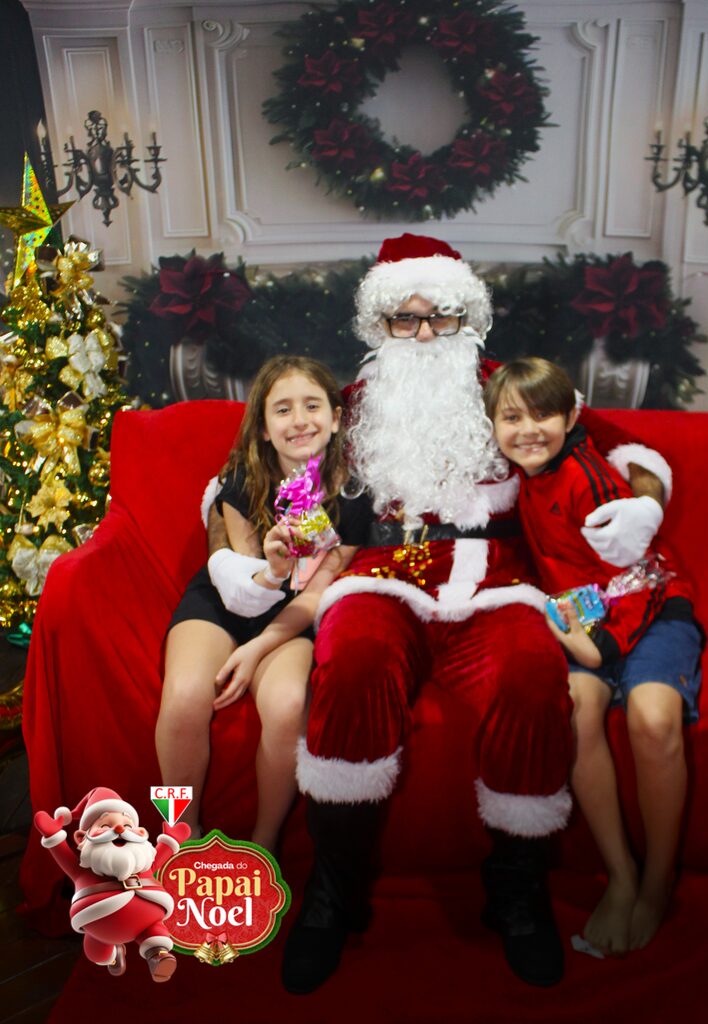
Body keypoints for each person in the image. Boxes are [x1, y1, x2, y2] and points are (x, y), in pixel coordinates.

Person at [207, 234, 673, 993]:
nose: (424, 335)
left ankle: (516, 891)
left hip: (495, 583)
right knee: (351, 664)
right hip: (379, 577)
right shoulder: (353, 406)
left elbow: (630, 452)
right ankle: (334, 892)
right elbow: (249, 471)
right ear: (380, 324)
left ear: (467, 318)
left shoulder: (506, 392)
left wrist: (643, 506)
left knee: (530, 675)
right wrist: (239, 549)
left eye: (441, 317)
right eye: (405, 318)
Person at [486, 356, 702, 956]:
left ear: (571, 416)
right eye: (511, 418)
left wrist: (601, 645)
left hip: (652, 611)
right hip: (588, 619)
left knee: (653, 719)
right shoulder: (521, 478)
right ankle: (621, 874)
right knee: (576, 711)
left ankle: (656, 882)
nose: (528, 430)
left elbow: (644, 574)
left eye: (543, 415)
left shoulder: (591, 478)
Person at [156, 355, 368, 849]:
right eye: (283, 409)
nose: (300, 420)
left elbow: (317, 591)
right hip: (226, 602)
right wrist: (271, 567)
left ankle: (264, 843)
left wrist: (256, 651)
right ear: (264, 429)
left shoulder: (354, 496)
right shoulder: (242, 479)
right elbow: (241, 587)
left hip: (292, 618)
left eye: (312, 405)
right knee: (184, 694)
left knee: (289, 702)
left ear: (336, 417)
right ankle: (178, 830)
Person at [33, 787, 190, 981]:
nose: (119, 829)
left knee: (156, 935)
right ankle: (114, 955)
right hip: (100, 927)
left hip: (148, 918)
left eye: (127, 824)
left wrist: (171, 840)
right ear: (81, 838)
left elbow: (158, 858)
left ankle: (158, 956)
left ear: (140, 832)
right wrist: (53, 835)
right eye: (106, 825)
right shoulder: (82, 870)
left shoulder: (143, 861)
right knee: (97, 953)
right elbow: (63, 854)